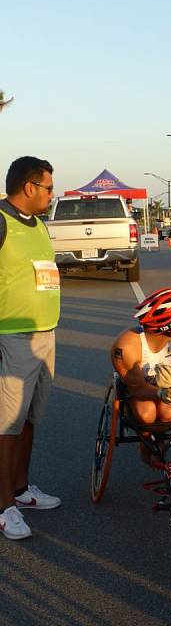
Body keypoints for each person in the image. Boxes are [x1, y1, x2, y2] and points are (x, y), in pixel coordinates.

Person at [0, 157, 61, 541]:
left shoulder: (39, 225)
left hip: (45, 334)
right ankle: (3, 506)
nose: (52, 194)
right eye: (49, 188)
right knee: (7, 424)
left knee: (30, 419)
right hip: (13, 335)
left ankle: (21, 491)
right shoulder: (1, 221)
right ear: (29, 187)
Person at [111, 288, 171, 463]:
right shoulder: (125, 345)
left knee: (169, 411)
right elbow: (137, 388)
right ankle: (145, 443)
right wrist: (160, 393)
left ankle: (160, 439)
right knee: (147, 413)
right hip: (137, 392)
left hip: (165, 390)